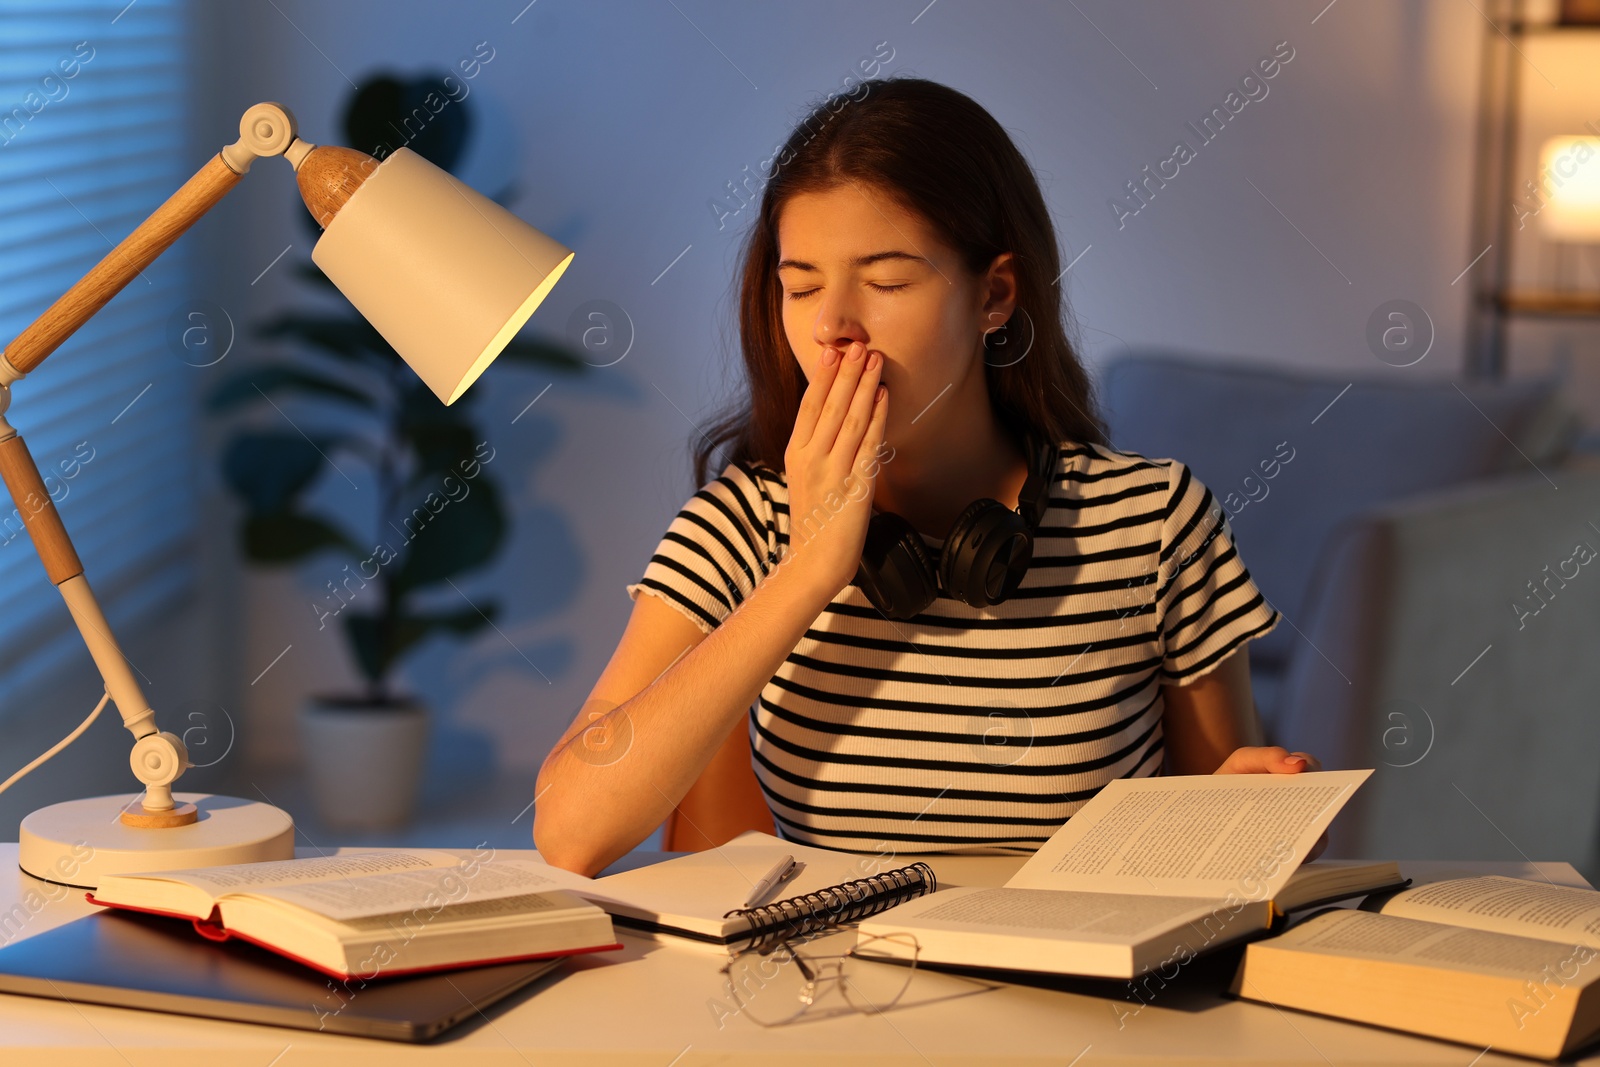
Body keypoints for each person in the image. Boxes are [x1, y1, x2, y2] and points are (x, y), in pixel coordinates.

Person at [534, 76, 1321, 878]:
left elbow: (1212, 828)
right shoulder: (739, 524)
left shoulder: (1156, 521)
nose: (832, 325)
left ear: (995, 296)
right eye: (801, 284)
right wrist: (806, 569)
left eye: (887, 281)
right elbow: (570, 831)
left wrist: (1247, 822)